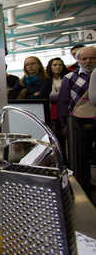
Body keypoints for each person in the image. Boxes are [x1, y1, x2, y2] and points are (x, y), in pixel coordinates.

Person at [57, 46, 96, 196]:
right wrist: (64, 125)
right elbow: (63, 102)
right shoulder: (69, 78)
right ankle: (84, 192)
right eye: (84, 59)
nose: (88, 61)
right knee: (81, 160)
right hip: (79, 124)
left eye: (92, 58)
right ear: (77, 60)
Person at [46, 57, 70, 164]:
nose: (57, 67)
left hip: (65, 112)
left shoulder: (67, 78)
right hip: (51, 113)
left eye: (60, 65)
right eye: (55, 65)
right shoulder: (47, 80)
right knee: (56, 141)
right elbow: (46, 96)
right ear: (50, 67)